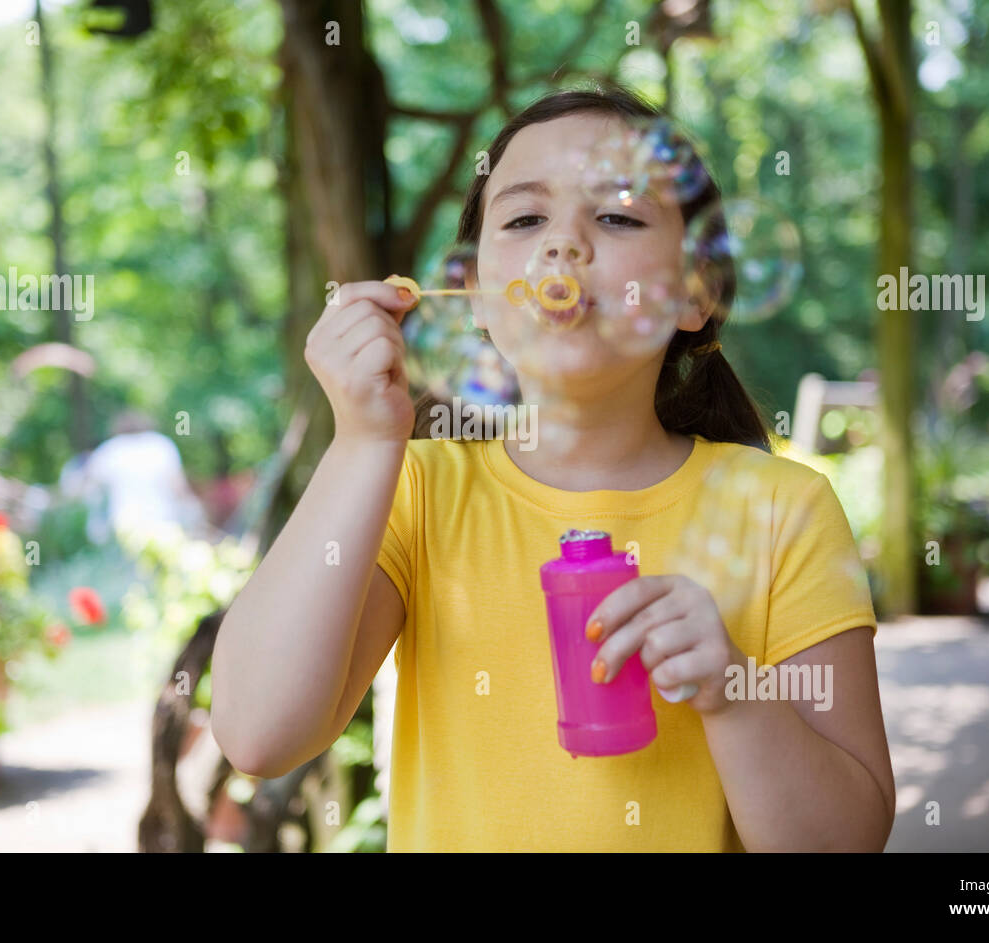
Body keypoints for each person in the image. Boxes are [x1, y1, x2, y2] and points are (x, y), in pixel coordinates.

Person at [212, 85, 895, 852]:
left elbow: (846, 842)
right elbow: (257, 733)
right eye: (526, 218)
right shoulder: (414, 489)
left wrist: (732, 691)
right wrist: (365, 443)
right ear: (472, 295)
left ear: (695, 292)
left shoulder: (783, 508)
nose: (562, 245)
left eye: (617, 215)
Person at [61, 410, 209, 543]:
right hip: (164, 523)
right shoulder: (161, 445)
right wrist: (195, 513)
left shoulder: (110, 450)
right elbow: (179, 489)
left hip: (124, 528)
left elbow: (82, 488)